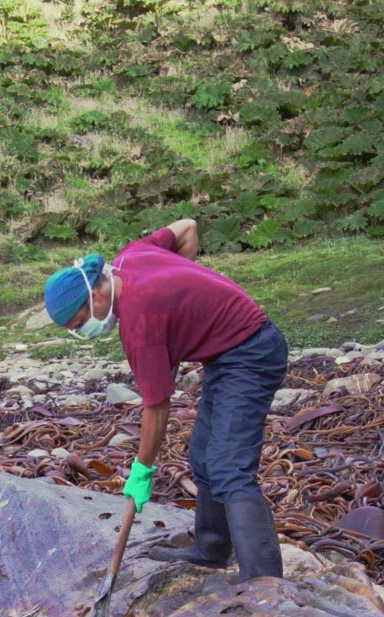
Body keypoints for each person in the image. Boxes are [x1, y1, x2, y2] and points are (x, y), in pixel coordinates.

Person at [43, 219, 291, 581]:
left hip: (253, 352)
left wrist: (142, 472)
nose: (83, 332)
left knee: (229, 468)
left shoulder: (140, 325)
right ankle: (212, 549)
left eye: (79, 324)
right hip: (223, 356)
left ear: (95, 296)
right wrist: (183, 305)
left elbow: (157, 407)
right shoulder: (131, 256)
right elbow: (187, 228)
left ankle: (265, 583)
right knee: (204, 457)